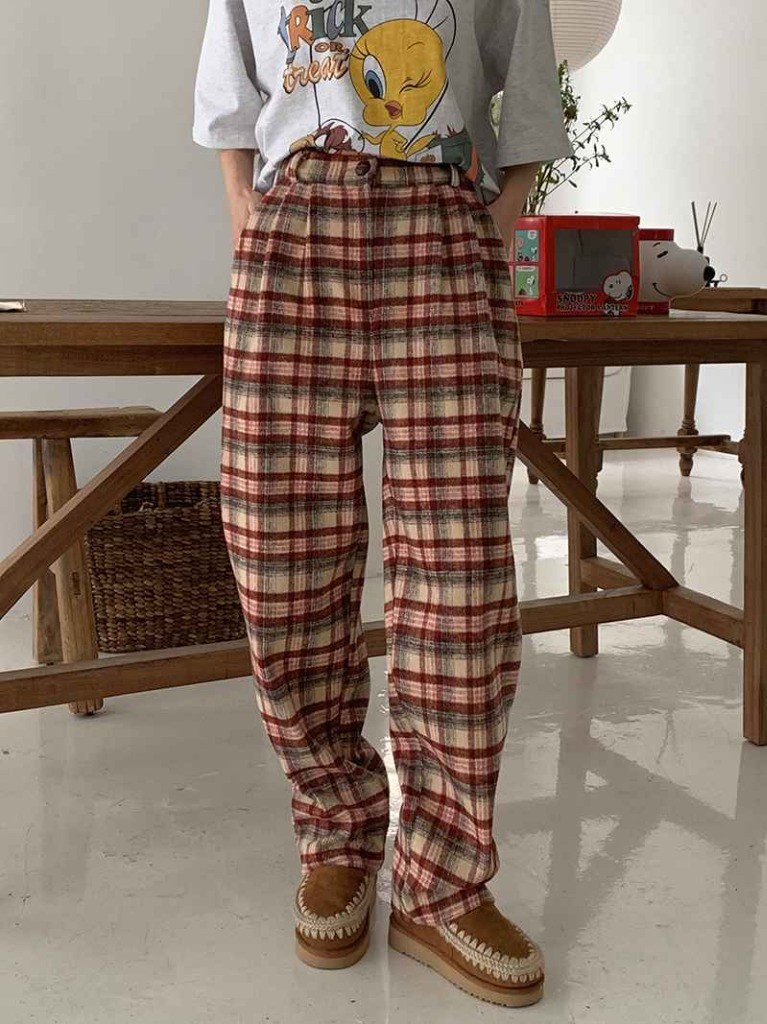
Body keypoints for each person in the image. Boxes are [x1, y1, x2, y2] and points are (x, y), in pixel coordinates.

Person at [193, 0, 572, 1008]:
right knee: (279, 557)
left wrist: (489, 226)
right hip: (295, 227)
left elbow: (529, 97)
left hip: (441, 227)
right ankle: (336, 835)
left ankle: (441, 883)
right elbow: (229, 94)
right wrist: (249, 215)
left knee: (459, 576)